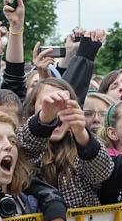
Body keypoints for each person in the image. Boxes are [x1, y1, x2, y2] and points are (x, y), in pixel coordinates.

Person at [18, 78, 114, 209]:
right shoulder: (21, 137)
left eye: (62, 104)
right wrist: (44, 120)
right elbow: (27, 148)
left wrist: (81, 133)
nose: (55, 110)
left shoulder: (84, 142)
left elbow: (101, 174)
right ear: (32, 108)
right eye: (48, 103)